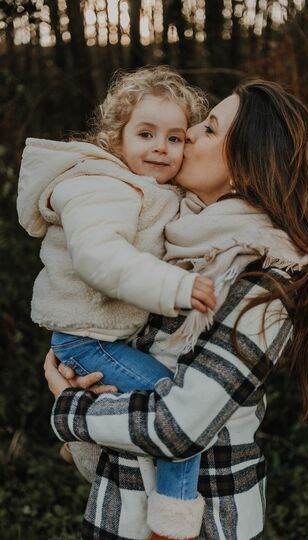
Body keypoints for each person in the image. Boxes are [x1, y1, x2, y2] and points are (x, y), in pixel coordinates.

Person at [45, 80, 308, 540]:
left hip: (205, 524)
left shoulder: (265, 278)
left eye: (209, 129)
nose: (188, 133)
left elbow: (178, 427)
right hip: (121, 511)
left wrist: (70, 409)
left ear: (245, 173)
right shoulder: (173, 238)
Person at [17, 66, 218, 539]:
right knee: (176, 406)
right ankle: (172, 519)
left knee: (152, 411)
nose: (159, 148)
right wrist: (176, 287)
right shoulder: (100, 186)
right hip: (88, 340)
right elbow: (99, 257)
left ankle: (81, 443)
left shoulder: (148, 190)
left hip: (104, 338)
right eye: (145, 133)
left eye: (174, 138)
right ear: (115, 138)